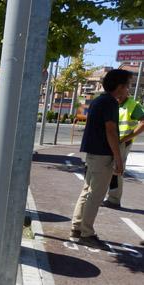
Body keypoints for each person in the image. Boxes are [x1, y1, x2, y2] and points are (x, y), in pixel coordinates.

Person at [70, 69, 131, 250]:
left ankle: (77, 227)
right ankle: (86, 233)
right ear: (119, 87)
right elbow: (110, 131)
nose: (128, 89)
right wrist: (118, 159)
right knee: (95, 195)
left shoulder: (99, 100)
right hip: (103, 155)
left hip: (93, 153)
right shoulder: (110, 103)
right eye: (128, 85)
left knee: (87, 191)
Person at [101, 90, 144, 209]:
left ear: (126, 91)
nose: (118, 94)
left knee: (116, 170)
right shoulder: (112, 103)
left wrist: (127, 138)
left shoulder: (132, 105)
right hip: (108, 141)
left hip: (121, 143)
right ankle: (101, 197)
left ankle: (113, 200)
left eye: (122, 90)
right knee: (104, 168)